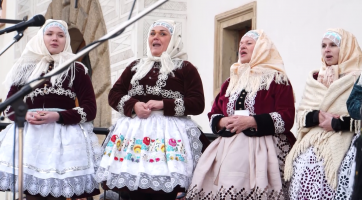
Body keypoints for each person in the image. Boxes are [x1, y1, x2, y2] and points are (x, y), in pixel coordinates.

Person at [95, 20, 205, 200]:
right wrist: (133, 106)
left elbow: (197, 103)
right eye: (152, 33)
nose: (156, 37)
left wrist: (164, 104)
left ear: (174, 40)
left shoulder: (185, 68)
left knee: (162, 191)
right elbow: (114, 94)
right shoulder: (135, 66)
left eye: (163, 33)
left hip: (168, 140)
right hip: (133, 139)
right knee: (129, 191)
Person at [186, 30, 296, 199]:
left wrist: (252, 121)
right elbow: (214, 112)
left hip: (264, 147)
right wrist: (223, 122)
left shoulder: (277, 79)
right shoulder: (231, 81)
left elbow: (286, 117)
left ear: (262, 48)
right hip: (228, 146)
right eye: (240, 44)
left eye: (248, 43)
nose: (242, 46)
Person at [0, 19, 102, 199]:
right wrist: (25, 116)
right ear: (42, 38)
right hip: (30, 138)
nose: (55, 38)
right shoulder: (26, 67)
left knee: (58, 194)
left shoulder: (76, 69)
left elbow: (89, 109)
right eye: (49, 34)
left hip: (63, 139)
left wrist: (57, 116)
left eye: (60, 35)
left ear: (66, 40)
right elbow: (9, 105)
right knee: (30, 193)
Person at [285, 28, 362, 199]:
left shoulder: (358, 78)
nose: (327, 49)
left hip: (346, 141)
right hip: (312, 143)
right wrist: (316, 117)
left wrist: (337, 123)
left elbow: (359, 115)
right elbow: (302, 115)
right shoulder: (314, 78)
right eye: (324, 45)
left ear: (346, 48)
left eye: (333, 45)